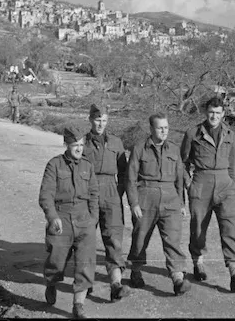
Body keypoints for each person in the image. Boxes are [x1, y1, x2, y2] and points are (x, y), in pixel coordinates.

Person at [180, 96, 235, 293]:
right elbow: (183, 162)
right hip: (201, 184)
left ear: (223, 114)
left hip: (225, 185)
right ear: (206, 112)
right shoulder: (193, 133)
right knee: (198, 229)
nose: (214, 116)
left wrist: (232, 184)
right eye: (211, 112)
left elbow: (233, 163)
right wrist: (189, 184)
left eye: (218, 113)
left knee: (230, 227)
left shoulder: (230, 133)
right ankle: (198, 262)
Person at [126, 112, 191, 296]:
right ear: (151, 129)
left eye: (166, 127)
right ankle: (136, 271)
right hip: (146, 196)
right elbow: (130, 178)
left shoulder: (174, 149)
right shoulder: (139, 149)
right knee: (140, 238)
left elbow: (179, 178)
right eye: (160, 128)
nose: (164, 131)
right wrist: (134, 204)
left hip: (170, 198)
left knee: (173, 239)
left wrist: (181, 204)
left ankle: (177, 278)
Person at [39, 126, 99, 319]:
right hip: (61, 218)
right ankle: (51, 283)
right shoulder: (54, 165)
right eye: (75, 145)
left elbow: (94, 195)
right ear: (67, 144)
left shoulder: (88, 166)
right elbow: (45, 195)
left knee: (85, 263)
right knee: (56, 261)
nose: (79, 149)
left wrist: (93, 218)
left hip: (84, 219)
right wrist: (52, 216)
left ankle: (78, 305)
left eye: (81, 145)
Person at [82, 104, 132, 301]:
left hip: (111, 191)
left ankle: (116, 284)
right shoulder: (82, 142)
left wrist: (118, 192)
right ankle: (85, 281)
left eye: (103, 120)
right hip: (88, 192)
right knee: (86, 239)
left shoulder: (117, 142)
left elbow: (124, 171)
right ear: (90, 119)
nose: (100, 124)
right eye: (97, 119)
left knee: (114, 238)